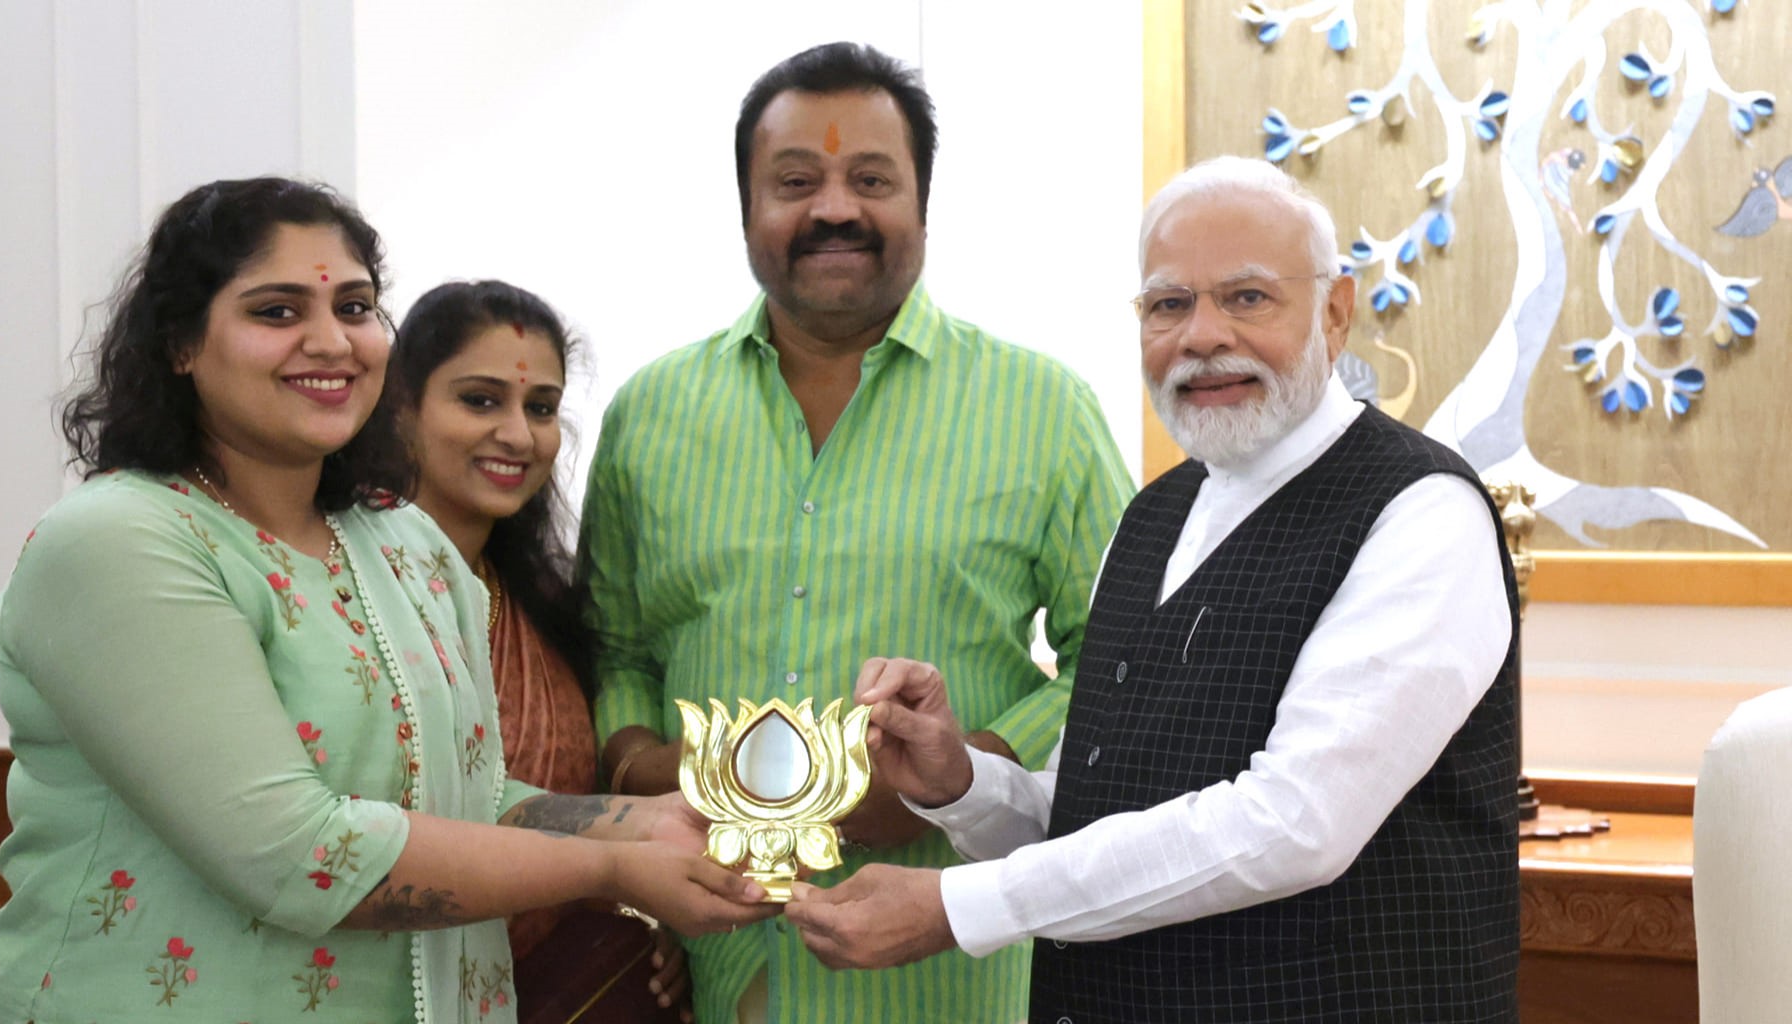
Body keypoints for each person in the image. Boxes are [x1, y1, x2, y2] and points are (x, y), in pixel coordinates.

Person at [0, 178, 773, 1024]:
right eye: (277, 311)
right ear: (179, 342)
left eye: (354, 308)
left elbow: (468, 799)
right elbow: (296, 855)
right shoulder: (119, 543)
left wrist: (635, 823)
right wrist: (610, 870)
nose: (331, 342)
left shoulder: (402, 544)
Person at [784, 156, 1522, 1023]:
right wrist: (962, 784)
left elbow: (1294, 824)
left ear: (1334, 311)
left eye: (1247, 297)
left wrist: (961, 908)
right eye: (1170, 304)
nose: (1203, 336)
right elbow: (1098, 808)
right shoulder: (1150, 519)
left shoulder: (1420, 511)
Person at [580, 42, 1135, 1024]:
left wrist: (963, 776)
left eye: (869, 179)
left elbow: (1123, 653)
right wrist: (644, 769)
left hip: (947, 976)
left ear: (922, 206)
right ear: (746, 210)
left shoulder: (1041, 406)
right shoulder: (649, 413)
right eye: (795, 180)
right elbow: (616, 645)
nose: (832, 206)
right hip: (715, 966)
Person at [390, 279, 691, 1023]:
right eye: (480, 400)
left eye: (541, 408)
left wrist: (644, 919)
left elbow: (554, 819)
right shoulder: (347, 593)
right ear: (400, 411)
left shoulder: (545, 611)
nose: (520, 436)